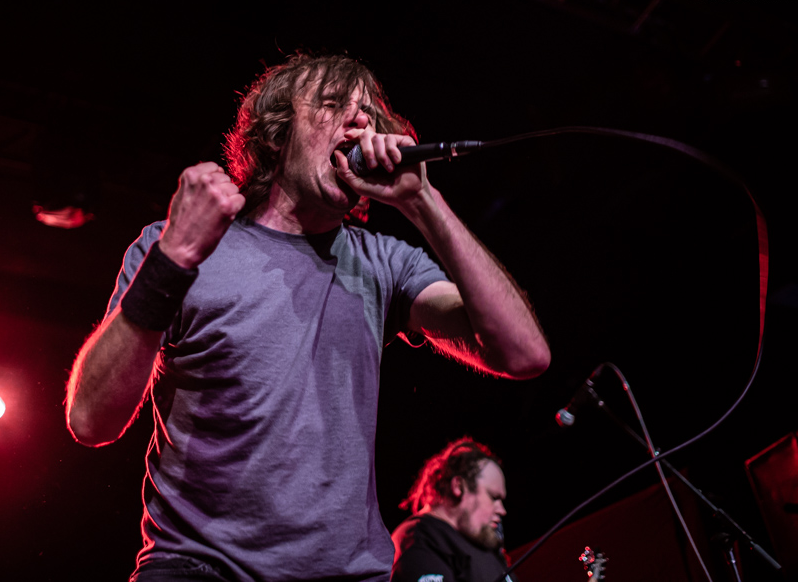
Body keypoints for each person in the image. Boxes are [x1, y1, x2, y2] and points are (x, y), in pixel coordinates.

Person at [64, 53, 550, 582]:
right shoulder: (181, 245)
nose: (359, 122)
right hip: (200, 568)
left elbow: (524, 354)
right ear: (277, 133)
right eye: (333, 104)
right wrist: (173, 260)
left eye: (368, 114)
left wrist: (423, 202)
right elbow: (90, 420)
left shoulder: (383, 263)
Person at [391, 438, 512, 582]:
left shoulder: (484, 544)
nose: (502, 510)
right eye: (494, 497)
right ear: (459, 486)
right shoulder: (420, 537)